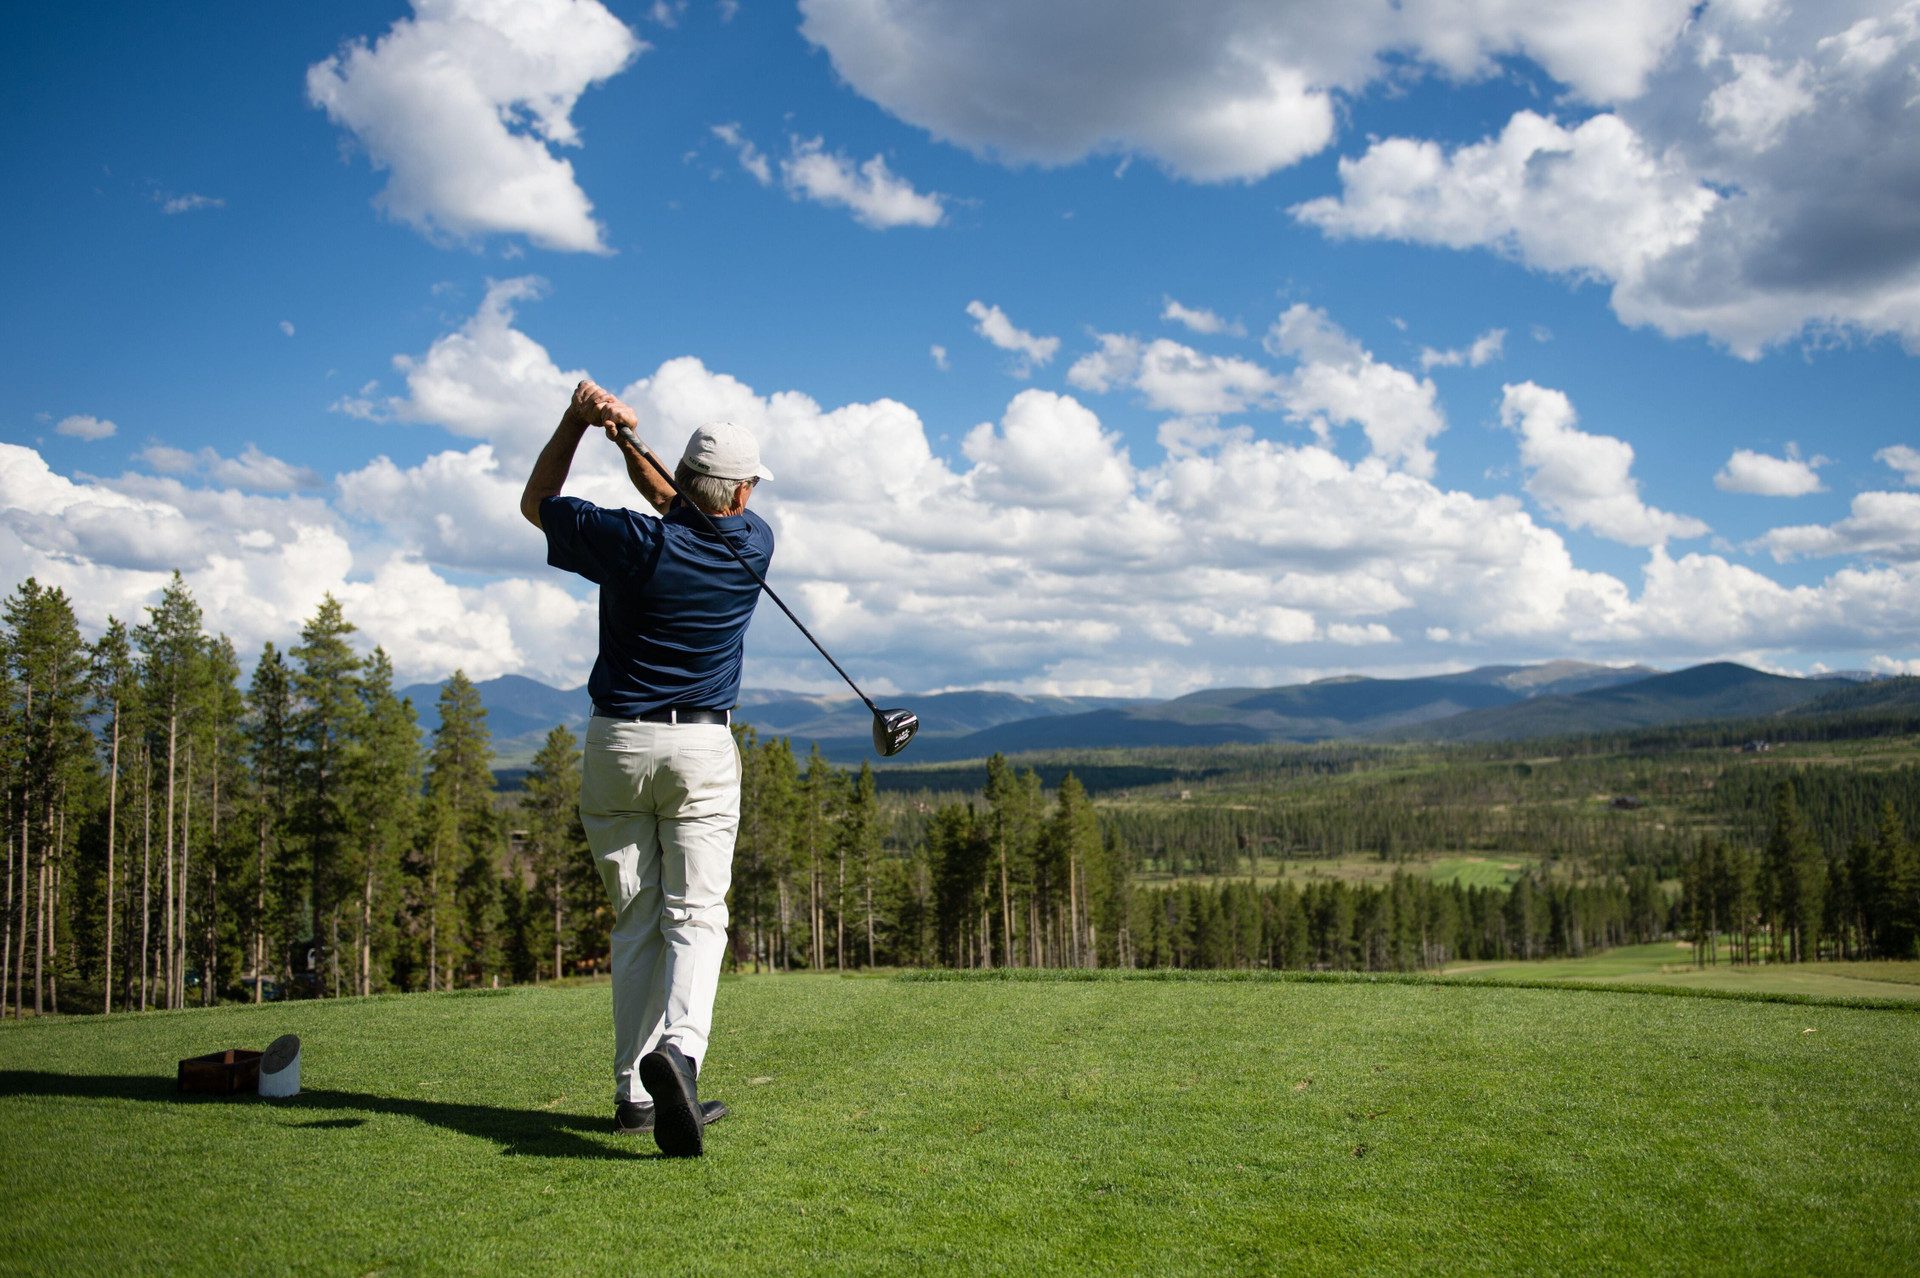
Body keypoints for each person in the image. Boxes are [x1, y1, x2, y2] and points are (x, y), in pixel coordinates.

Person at [519, 378, 774, 1157]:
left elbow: (539, 504)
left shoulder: (633, 541)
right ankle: (682, 1056)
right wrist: (626, 442)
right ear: (740, 494)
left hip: (619, 744)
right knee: (697, 914)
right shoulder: (752, 540)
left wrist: (579, 422)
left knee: (636, 920)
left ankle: (635, 1091)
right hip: (701, 748)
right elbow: (680, 498)